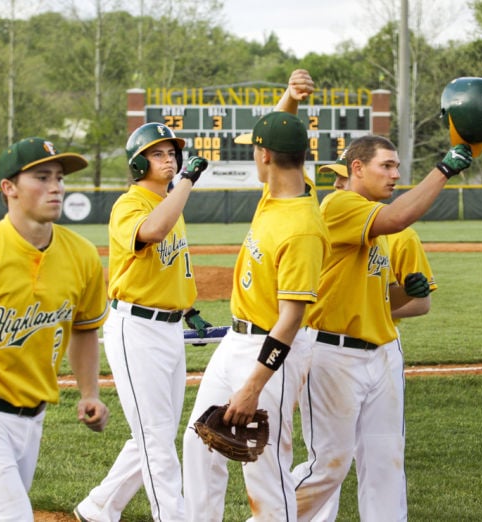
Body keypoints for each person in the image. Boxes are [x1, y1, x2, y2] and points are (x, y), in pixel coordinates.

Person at [293, 134, 472, 521]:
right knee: (327, 467)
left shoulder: (378, 225)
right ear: (357, 169)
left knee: (385, 463)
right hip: (333, 353)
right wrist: (443, 170)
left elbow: (379, 303)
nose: (395, 174)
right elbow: (398, 217)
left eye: (396, 166)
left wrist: (404, 292)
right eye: (386, 166)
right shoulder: (340, 204)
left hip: (381, 352)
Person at [182, 69, 330, 521]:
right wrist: (289, 98)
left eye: (256, 148)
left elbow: (291, 320)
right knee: (199, 443)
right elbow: (280, 136)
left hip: (272, 352)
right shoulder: (279, 193)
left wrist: (251, 388)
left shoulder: (302, 227)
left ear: (264, 155)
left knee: (265, 472)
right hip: (236, 341)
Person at [0, 137, 110, 520]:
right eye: (41, 176)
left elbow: (84, 328)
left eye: (59, 177)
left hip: (31, 421)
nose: (55, 187)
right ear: (9, 188)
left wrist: (90, 393)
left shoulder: (81, 255)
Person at [74, 124, 209, 522]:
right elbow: (153, 231)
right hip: (136, 329)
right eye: (158, 154)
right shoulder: (129, 205)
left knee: (157, 434)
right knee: (156, 438)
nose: (169, 159)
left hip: (167, 328)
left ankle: (100, 506)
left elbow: (172, 266)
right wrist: (185, 183)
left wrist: (188, 310)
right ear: (138, 163)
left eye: (172, 154)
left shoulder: (170, 203)